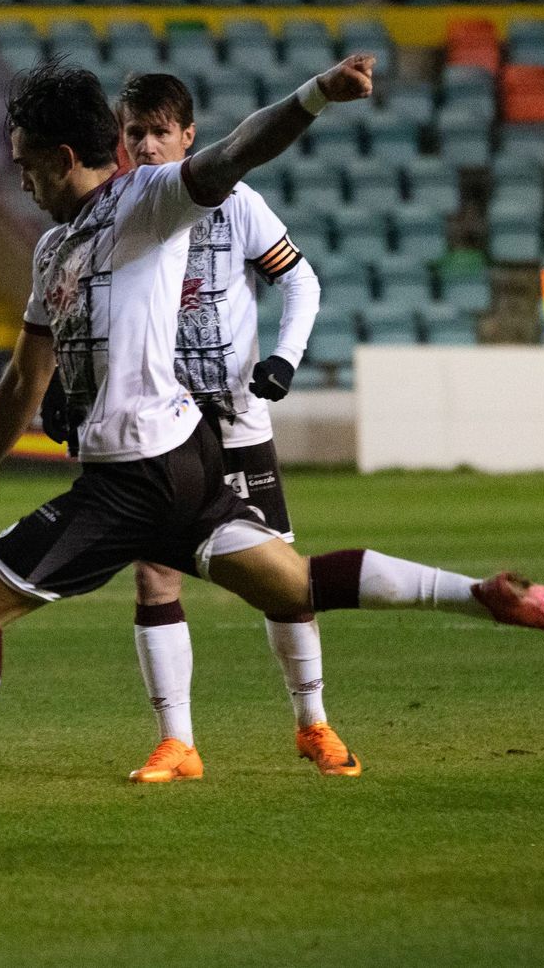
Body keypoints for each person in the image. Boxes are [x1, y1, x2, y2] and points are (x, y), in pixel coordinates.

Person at [0, 57, 544, 830]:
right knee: (295, 587)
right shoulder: (54, 251)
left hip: (136, 475)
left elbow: (238, 151)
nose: (20, 182)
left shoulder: (146, 201)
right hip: (180, 464)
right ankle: (481, 594)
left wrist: (317, 94)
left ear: (61, 159)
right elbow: (24, 378)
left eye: (24, 165)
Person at [107, 73, 352, 783]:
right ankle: (177, 743)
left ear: (189, 136)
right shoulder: (119, 215)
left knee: (282, 580)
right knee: (155, 575)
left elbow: (300, 280)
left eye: (160, 132)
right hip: (160, 427)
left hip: (237, 420)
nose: (148, 146)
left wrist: (284, 356)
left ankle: (314, 724)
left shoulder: (235, 205)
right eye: (134, 135)